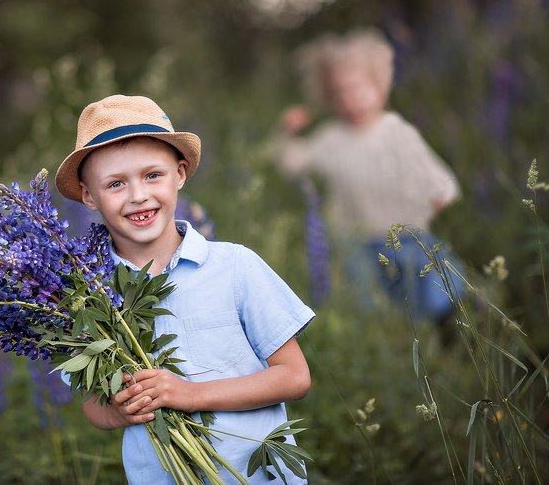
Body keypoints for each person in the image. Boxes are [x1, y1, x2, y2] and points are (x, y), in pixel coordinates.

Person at [54, 94, 315, 484]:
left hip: (254, 476)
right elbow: (93, 404)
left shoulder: (234, 266)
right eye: (115, 184)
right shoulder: (88, 295)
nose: (138, 195)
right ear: (89, 196)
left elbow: (294, 377)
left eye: (152, 175)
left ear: (180, 173)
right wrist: (119, 413)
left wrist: (191, 394)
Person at [274, 28, 463, 322]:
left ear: (380, 85)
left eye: (358, 89)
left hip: (406, 234)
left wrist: (439, 195)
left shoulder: (396, 132)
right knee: (368, 304)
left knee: (428, 291)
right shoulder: (330, 139)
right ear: (328, 96)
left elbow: (438, 176)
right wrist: (286, 132)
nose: (351, 100)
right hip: (355, 240)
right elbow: (290, 163)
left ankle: (438, 334)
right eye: (339, 93)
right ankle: (385, 342)